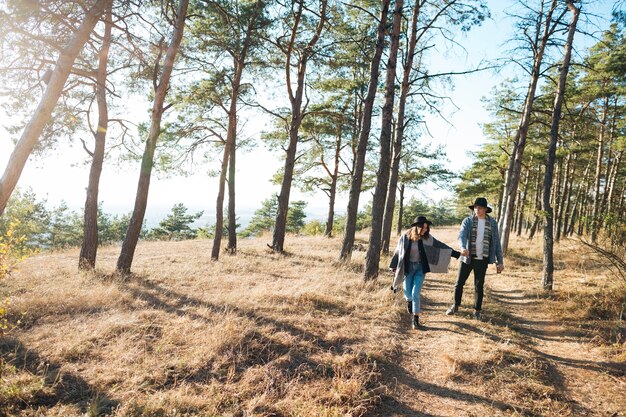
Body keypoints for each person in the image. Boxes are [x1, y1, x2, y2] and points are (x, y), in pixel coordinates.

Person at [390, 216, 460, 330]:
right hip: (407, 268)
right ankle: (409, 301)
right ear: (417, 227)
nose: (425, 230)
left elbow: (440, 245)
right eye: (423, 228)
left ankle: (415, 320)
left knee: (415, 293)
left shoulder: (427, 238)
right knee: (407, 291)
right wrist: (393, 265)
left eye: (427, 228)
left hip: (420, 268)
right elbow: (398, 251)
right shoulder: (405, 237)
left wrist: (456, 254)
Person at [446, 197, 504, 320]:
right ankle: (455, 305)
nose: (477, 209)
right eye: (476, 207)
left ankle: (477, 311)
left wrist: (500, 261)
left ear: (485, 209)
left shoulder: (492, 223)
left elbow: (496, 243)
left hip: (482, 258)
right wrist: (462, 247)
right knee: (459, 283)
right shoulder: (468, 221)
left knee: (479, 285)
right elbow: (462, 235)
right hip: (467, 257)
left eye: (480, 207)